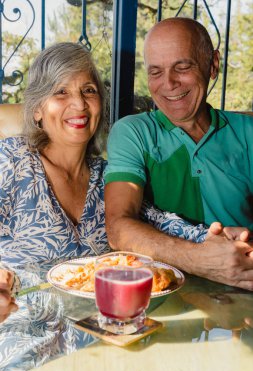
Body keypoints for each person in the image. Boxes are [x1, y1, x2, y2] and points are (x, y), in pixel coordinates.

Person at [0, 41, 226, 322]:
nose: (79, 103)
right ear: (37, 110)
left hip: (103, 332)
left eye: (89, 90)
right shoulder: (10, 160)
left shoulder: (106, 176)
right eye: (61, 92)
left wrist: (217, 239)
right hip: (21, 334)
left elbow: (160, 222)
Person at [104, 17, 253, 290]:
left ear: (213, 65)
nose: (169, 83)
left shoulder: (248, 132)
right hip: (169, 295)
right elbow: (118, 227)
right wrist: (202, 260)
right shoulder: (133, 132)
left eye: (182, 67)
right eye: (155, 72)